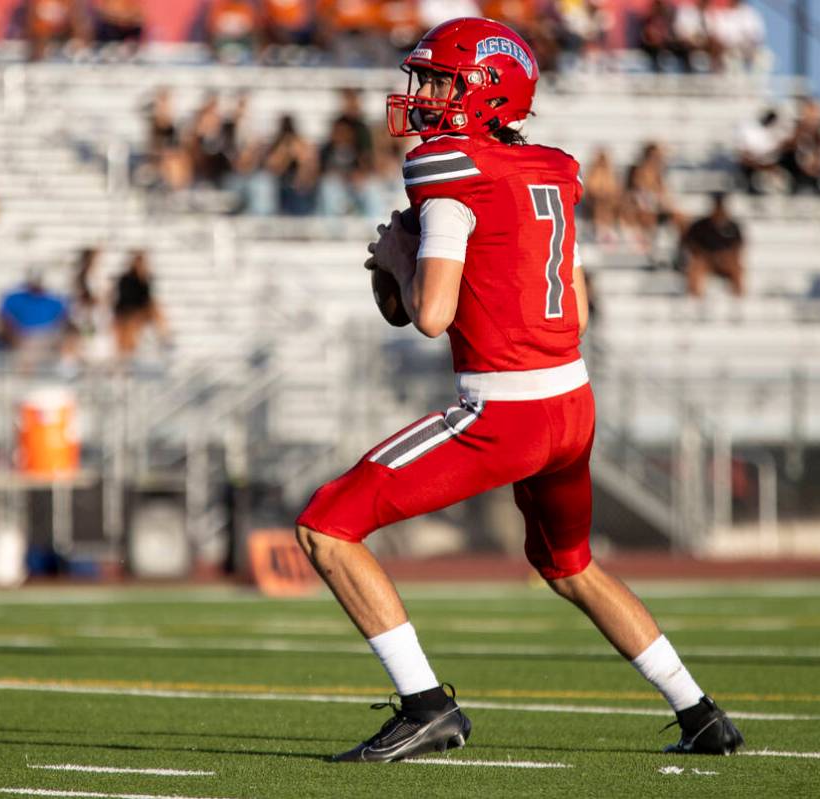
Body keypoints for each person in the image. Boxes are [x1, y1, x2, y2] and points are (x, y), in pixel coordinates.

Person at [296, 17, 744, 763]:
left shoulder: (448, 169)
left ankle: (426, 704)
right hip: (572, 402)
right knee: (570, 566)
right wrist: (401, 268)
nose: (422, 94)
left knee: (325, 525)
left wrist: (399, 260)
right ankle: (699, 711)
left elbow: (431, 315)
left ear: (482, 90)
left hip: (505, 411)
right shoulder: (551, 169)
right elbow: (579, 303)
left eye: (438, 80)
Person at [682, 193, 745, 297]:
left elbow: (738, 246)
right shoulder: (700, 226)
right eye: (717, 207)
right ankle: (695, 299)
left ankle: (739, 299)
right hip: (706, 260)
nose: (719, 210)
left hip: (724, 261)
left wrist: (723, 256)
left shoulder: (732, 226)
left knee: (736, 267)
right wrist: (708, 256)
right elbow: (691, 244)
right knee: (695, 266)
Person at [113, 250, 169, 357]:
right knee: (130, 324)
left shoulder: (146, 279)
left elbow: (147, 299)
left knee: (155, 307)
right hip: (126, 312)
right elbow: (125, 300)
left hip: (139, 312)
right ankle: (128, 351)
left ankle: (165, 338)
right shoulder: (125, 279)